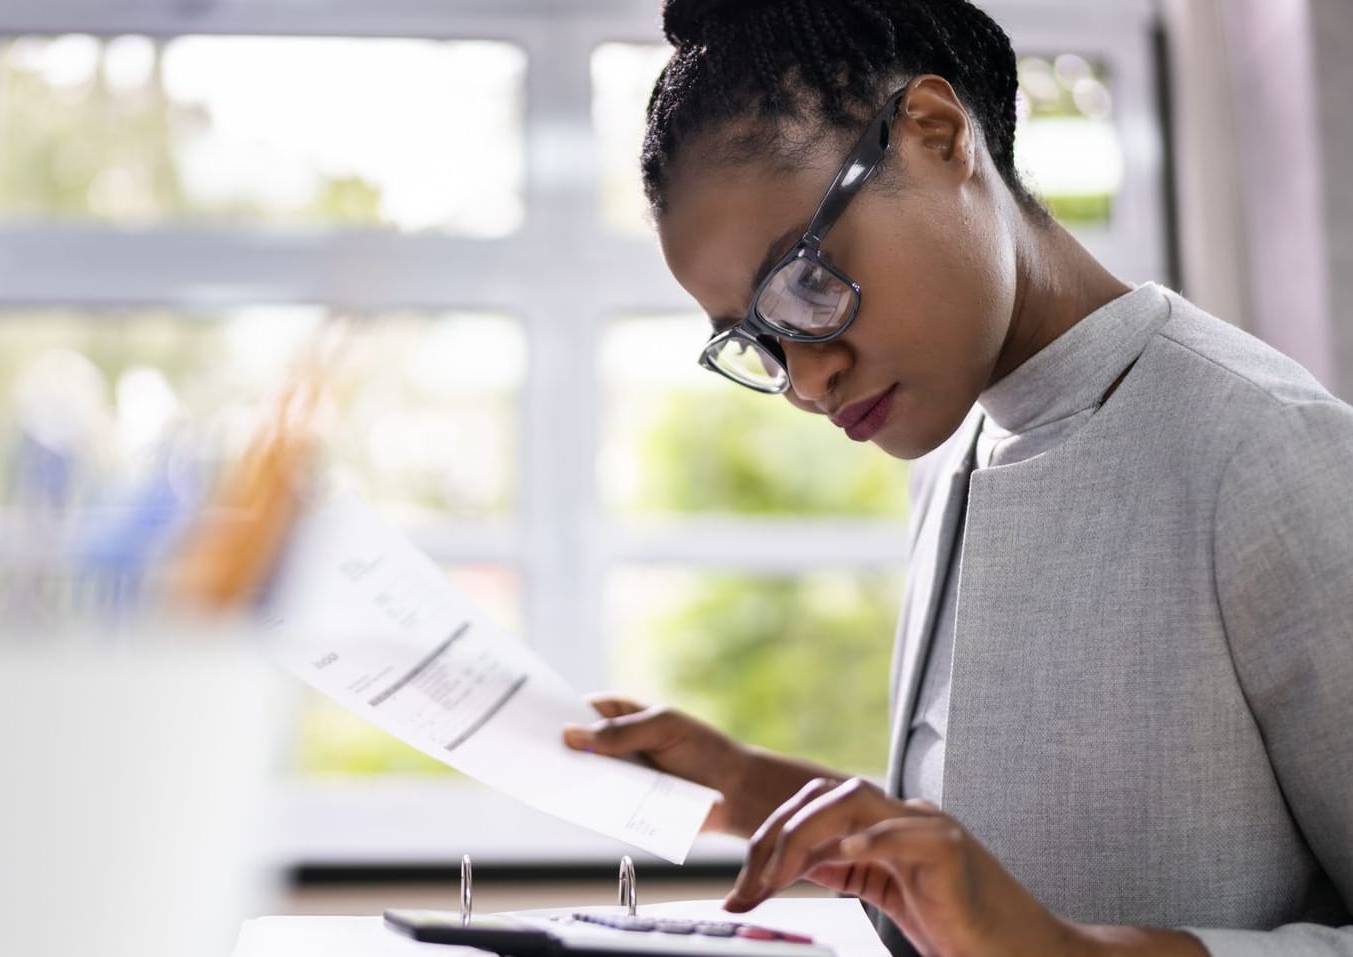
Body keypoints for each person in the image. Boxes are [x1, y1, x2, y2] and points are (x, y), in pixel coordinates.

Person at [561, 1, 1353, 955]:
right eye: (759, 340)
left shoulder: (1267, 448)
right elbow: (992, 856)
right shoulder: (954, 444)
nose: (807, 381)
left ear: (938, 136)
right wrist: (751, 784)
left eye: (805, 282)